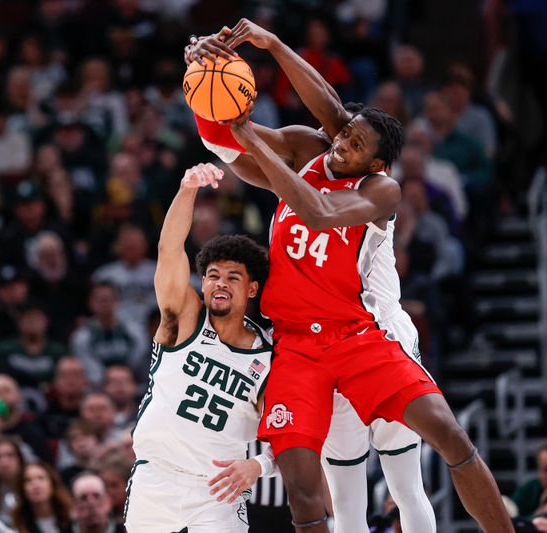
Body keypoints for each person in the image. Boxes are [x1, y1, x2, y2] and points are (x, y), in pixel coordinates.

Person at [187, 18, 512, 532]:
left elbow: (316, 208)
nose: (342, 143)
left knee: (416, 465)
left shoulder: (381, 191)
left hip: (370, 330)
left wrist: (249, 132)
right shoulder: (310, 146)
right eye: (343, 136)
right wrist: (206, 84)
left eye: (355, 144)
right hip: (296, 342)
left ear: (377, 163)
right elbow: (236, 145)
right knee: (325, 487)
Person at [125, 163, 274, 532]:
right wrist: (188, 188)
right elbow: (168, 249)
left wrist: (260, 465)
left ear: (251, 289)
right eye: (212, 275)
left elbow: (290, 431)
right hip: (155, 477)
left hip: (217, 491)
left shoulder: (269, 357)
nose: (220, 284)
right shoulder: (186, 317)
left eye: (233, 277)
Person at [13, 461, 73, 533]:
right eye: (28, 480)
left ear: (52, 484)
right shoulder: (19, 523)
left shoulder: (71, 517)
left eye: (41, 478)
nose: (35, 485)